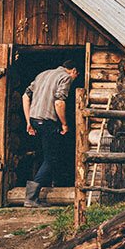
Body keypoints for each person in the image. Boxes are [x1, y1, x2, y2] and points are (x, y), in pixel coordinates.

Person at [22, 58, 80, 206]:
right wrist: (65, 124)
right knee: (51, 159)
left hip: (35, 120)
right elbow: (59, 102)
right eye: (76, 76)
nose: (74, 79)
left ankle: (51, 186)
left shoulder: (43, 74)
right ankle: (31, 198)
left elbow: (25, 96)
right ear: (73, 71)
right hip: (48, 122)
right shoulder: (65, 77)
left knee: (46, 155)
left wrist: (28, 122)